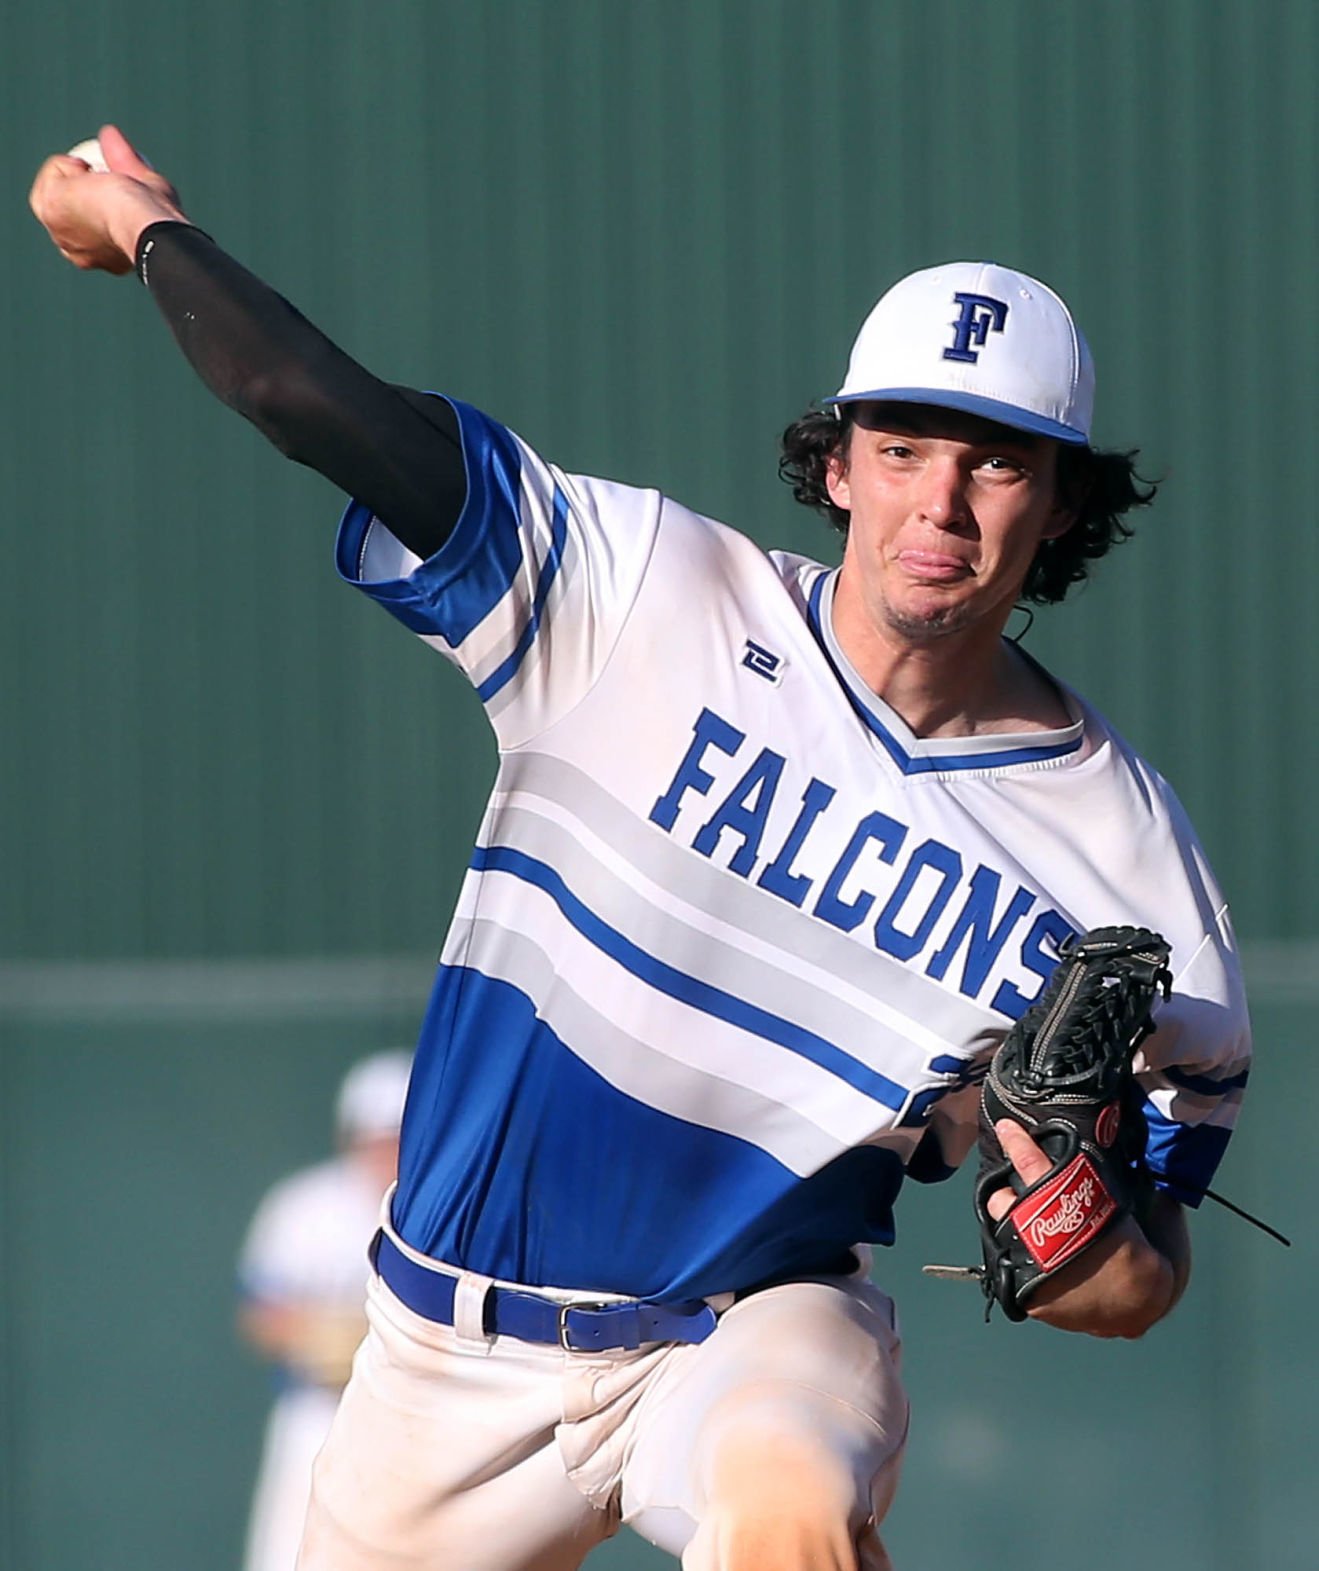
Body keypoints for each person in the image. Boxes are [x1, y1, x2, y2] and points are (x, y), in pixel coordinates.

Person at [30, 128, 1251, 1571]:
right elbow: (304, 397)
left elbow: (1136, 1273)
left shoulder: (1121, 856)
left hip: (753, 1324)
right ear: (837, 464)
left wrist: (1081, 1228)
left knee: (785, 1506)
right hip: (441, 1351)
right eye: (900, 446)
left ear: (1057, 504)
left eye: (993, 464)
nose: (938, 500)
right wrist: (149, 225)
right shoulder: (633, 595)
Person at [237, 1050, 412, 1571]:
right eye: (376, 1136)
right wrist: (320, 1337)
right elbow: (259, 1313)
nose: (386, 1149)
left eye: (399, 1135)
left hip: (416, 1416)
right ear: (351, 1137)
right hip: (319, 1415)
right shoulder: (305, 1207)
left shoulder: (448, 1214)